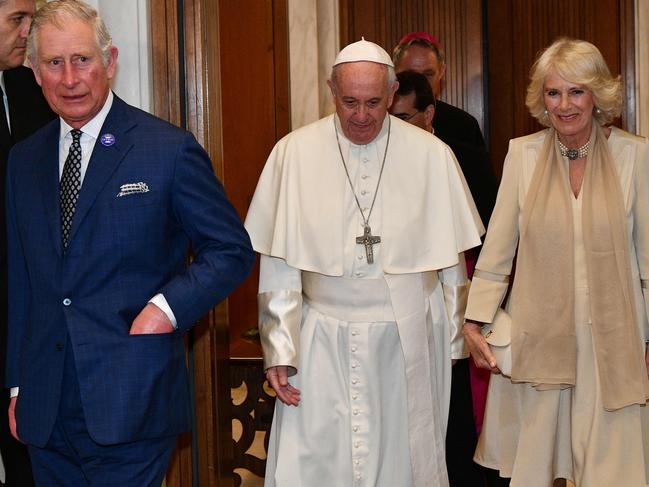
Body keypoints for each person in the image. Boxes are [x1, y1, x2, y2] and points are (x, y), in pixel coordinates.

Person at [5, 1, 254, 485]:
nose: (71, 78)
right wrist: (17, 384)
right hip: (44, 406)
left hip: (131, 398)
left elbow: (230, 250)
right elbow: (22, 282)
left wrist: (165, 308)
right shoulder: (23, 160)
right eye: (54, 63)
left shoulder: (167, 148)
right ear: (35, 72)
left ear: (110, 61)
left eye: (83, 59)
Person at [245, 38, 484, 487]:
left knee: (405, 462)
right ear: (331, 91)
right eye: (349, 102)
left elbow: (452, 261)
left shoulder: (433, 155)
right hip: (322, 338)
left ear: (392, 93)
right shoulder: (293, 154)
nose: (361, 115)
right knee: (317, 460)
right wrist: (279, 348)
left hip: (409, 335)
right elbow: (279, 264)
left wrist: (452, 341)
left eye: (374, 103)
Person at [463, 37, 649, 487]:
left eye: (576, 91)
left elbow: (647, 261)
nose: (564, 105)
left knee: (612, 472)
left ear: (597, 95)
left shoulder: (635, 156)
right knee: (538, 467)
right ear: (541, 98)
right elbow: (497, 252)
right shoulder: (521, 155)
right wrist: (474, 321)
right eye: (553, 92)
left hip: (615, 341)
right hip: (540, 339)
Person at [390, 69, 495, 487]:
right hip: (393, 310)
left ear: (429, 114)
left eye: (404, 118)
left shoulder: (453, 156)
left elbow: (485, 233)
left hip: (450, 295)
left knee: (452, 412)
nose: (392, 129)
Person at [0, 1, 55, 485]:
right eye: (17, 18)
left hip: (29, 326)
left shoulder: (28, 84)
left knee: (30, 462)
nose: (28, 31)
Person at [393, 32, 486, 149]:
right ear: (395, 72)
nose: (421, 82)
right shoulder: (382, 120)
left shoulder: (464, 125)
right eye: (412, 74)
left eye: (428, 74)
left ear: (441, 72)